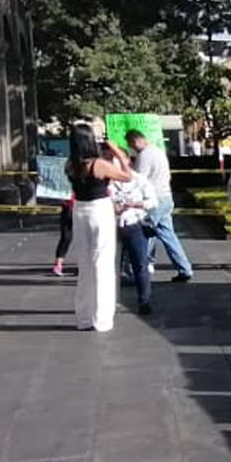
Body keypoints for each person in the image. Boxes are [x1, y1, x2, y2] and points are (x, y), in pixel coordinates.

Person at [67, 124, 134, 332]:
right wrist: (117, 151)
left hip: (79, 209)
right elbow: (127, 176)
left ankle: (84, 317)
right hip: (99, 209)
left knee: (85, 265)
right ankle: (102, 319)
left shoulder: (69, 164)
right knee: (103, 264)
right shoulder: (99, 165)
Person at [127, 129, 193, 283]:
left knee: (144, 235)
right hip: (166, 197)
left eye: (131, 144)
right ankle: (184, 268)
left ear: (136, 141)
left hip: (153, 200)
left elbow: (139, 179)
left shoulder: (144, 155)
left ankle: (137, 270)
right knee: (169, 236)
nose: (132, 148)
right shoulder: (158, 151)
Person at [112, 156, 159, 316]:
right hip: (113, 226)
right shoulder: (107, 181)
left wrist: (135, 204)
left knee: (140, 264)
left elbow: (153, 201)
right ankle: (111, 302)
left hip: (135, 223)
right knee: (112, 267)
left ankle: (144, 301)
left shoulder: (139, 180)